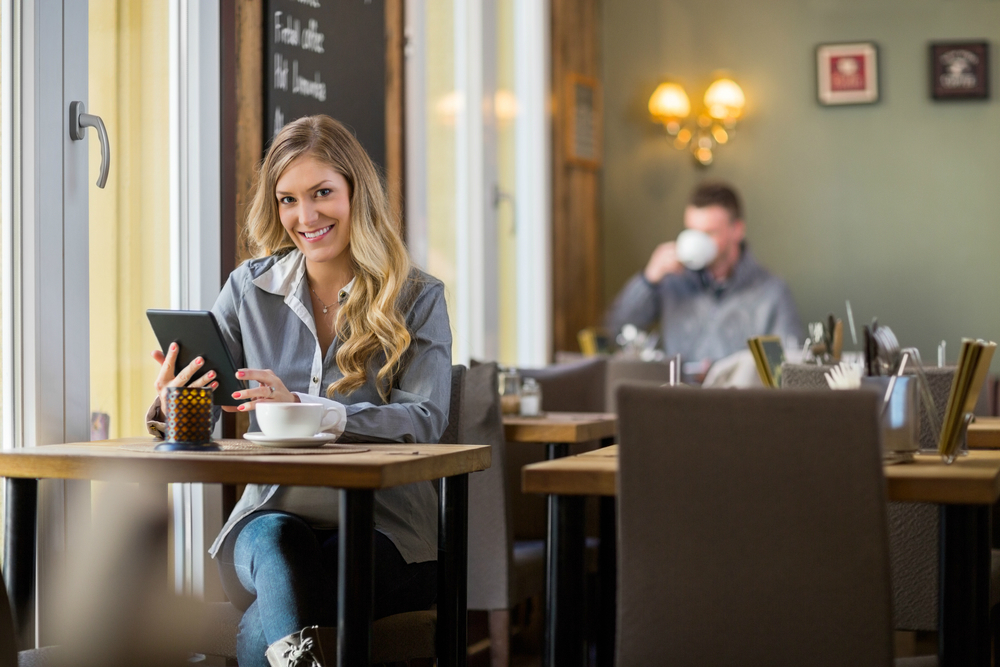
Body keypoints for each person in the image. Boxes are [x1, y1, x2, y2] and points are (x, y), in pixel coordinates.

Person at [146, 115, 451, 667]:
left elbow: (426, 418)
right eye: (288, 199)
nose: (305, 217)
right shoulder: (249, 288)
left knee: (277, 603)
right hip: (271, 521)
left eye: (322, 193)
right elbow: (209, 409)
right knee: (276, 544)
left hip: (386, 531)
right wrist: (176, 401)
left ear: (357, 193)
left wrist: (308, 409)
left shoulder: (418, 296)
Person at [605, 181, 802, 368]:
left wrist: (723, 372)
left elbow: (787, 367)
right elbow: (616, 329)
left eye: (709, 233)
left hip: (739, 400)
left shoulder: (771, 291)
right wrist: (648, 280)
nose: (698, 241)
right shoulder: (672, 280)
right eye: (692, 231)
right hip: (678, 397)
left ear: (737, 230)